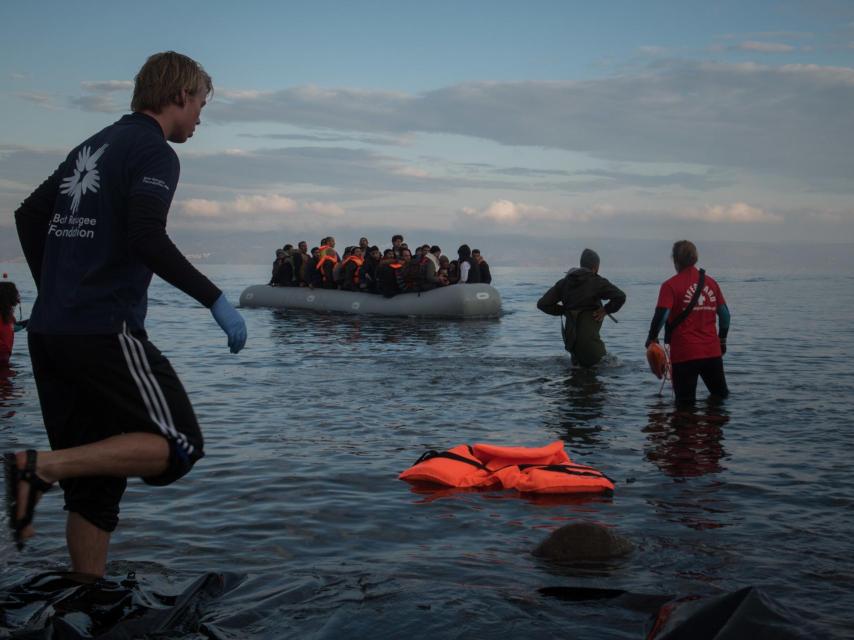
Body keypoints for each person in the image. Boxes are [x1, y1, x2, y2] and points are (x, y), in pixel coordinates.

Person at [6, 51, 247, 576]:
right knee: (177, 444)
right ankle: (38, 469)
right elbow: (146, 238)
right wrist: (215, 299)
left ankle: (86, 596)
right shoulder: (154, 151)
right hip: (103, 329)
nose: (201, 118)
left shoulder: (91, 145)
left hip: (50, 332)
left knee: (93, 490)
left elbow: (28, 213)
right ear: (180, 95)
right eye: (201, 105)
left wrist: (55, 285)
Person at [645, 240, 730, 405]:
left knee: (684, 405)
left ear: (675, 260)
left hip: (685, 354)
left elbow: (662, 315)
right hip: (712, 353)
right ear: (695, 258)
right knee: (720, 398)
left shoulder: (670, 286)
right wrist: (722, 340)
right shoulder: (711, 283)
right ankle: (715, 428)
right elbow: (725, 316)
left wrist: (652, 338)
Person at [537, 248, 625, 367]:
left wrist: (565, 311)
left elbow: (542, 304)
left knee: (575, 380)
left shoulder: (564, 283)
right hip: (592, 348)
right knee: (609, 371)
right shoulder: (597, 281)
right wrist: (605, 310)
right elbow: (620, 296)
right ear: (596, 268)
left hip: (572, 347)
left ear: (581, 264)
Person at [0, 281, 25, 367]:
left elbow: (13, 328)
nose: (18, 296)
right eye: (15, 293)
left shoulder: (9, 316)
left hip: (5, 360)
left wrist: (30, 322)